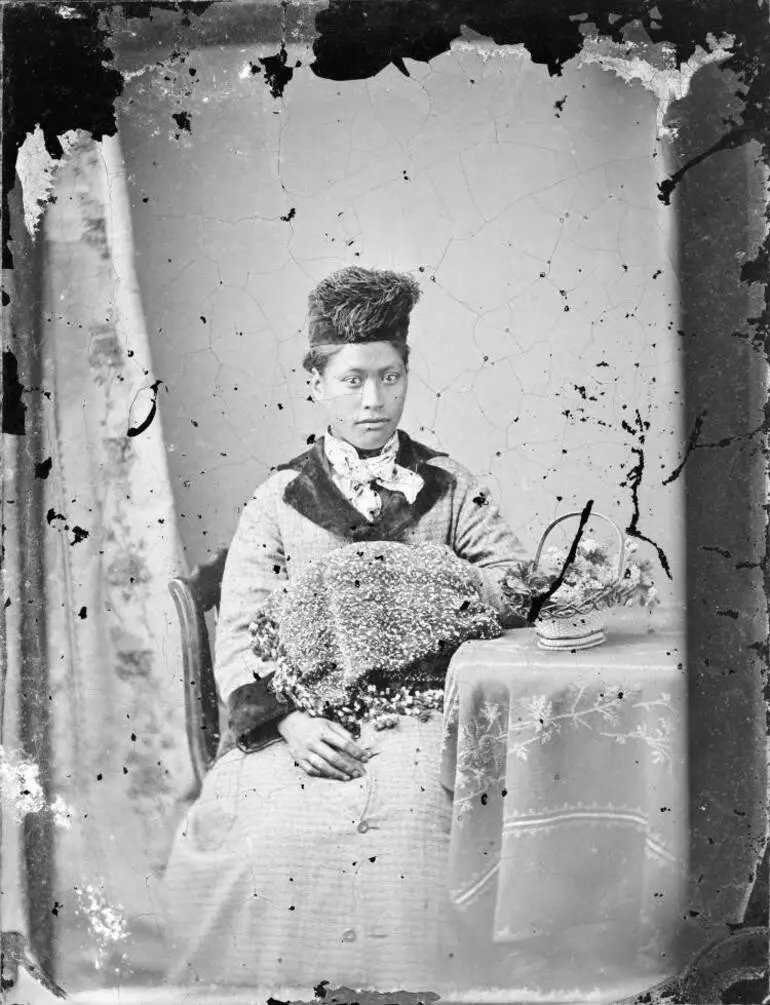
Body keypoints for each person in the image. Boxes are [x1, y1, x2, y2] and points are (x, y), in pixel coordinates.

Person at [163, 266, 528, 993]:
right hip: (301, 723)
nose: (373, 399)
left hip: (424, 718)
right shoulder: (279, 500)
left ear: (406, 375)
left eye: (389, 378)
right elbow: (237, 635)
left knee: (418, 827)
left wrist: (433, 587)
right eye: (353, 379)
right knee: (269, 839)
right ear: (316, 383)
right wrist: (291, 723)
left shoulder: (449, 486)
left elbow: (515, 585)